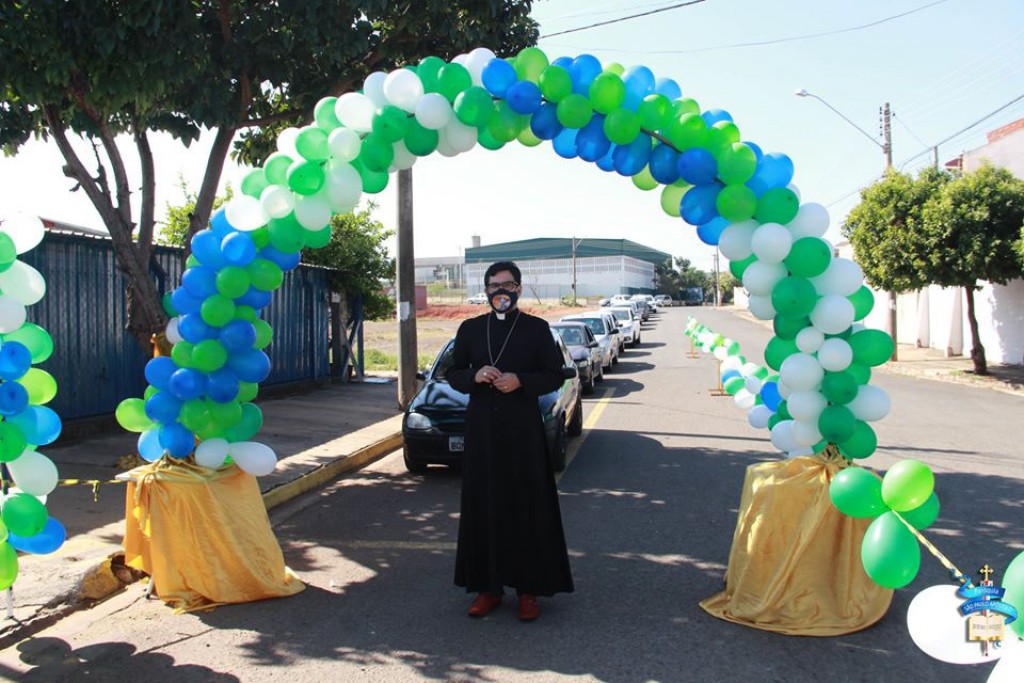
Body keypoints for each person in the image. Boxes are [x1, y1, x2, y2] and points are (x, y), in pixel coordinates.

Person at [447, 261, 575, 621]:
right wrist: (475, 375)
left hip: (523, 432)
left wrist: (521, 381)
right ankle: (487, 589)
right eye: (493, 285)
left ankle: (528, 590)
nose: (500, 291)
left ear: (518, 289)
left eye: (507, 285)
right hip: (483, 431)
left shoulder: (536, 329)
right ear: (486, 290)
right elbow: (452, 372)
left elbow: (553, 375)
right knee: (484, 506)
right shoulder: (471, 329)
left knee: (526, 507)